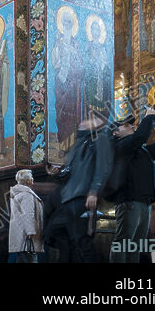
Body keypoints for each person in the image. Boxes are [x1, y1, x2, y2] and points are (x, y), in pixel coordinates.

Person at [109, 108, 155, 263]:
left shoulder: (142, 150)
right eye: (126, 126)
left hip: (145, 202)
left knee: (135, 246)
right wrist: (149, 117)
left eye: (132, 125)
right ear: (115, 133)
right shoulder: (119, 147)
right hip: (129, 200)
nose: (132, 126)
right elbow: (140, 136)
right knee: (123, 244)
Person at [52, 110, 113, 263]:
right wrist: (57, 173)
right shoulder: (80, 144)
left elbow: (103, 167)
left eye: (89, 120)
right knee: (73, 242)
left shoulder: (101, 138)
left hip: (83, 196)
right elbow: (70, 171)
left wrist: (94, 191)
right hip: (69, 197)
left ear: (99, 123)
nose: (83, 122)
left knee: (83, 241)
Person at [8, 169, 44, 262]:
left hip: (20, 232)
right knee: (30, 259)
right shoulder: (26, 194)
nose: (33, 179)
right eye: (31, 177)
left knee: (22, 259)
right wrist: (30, 231)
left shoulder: (17, 194)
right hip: (26, 234)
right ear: (27, 180)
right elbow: (28, 214)